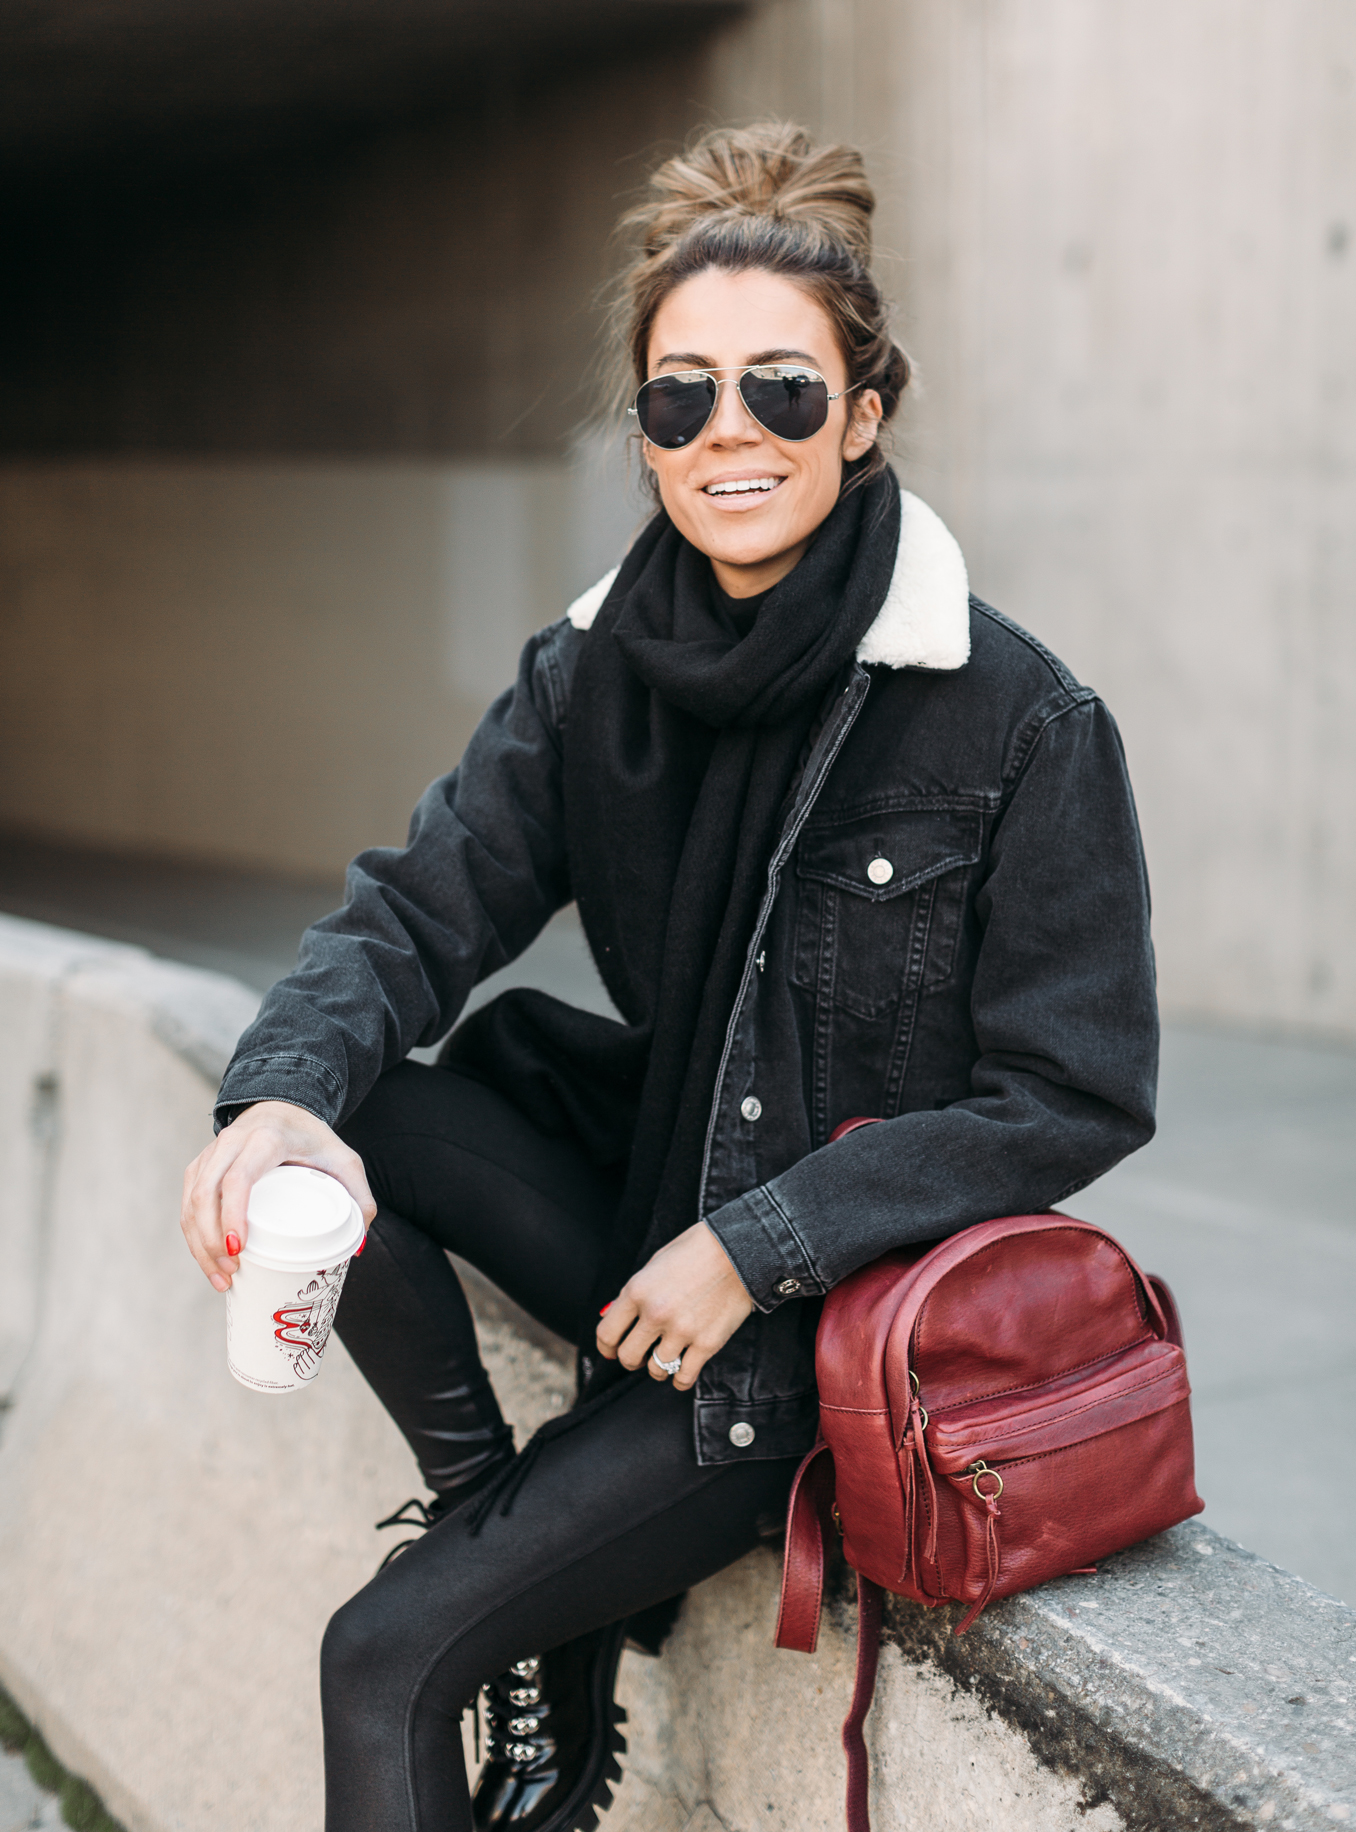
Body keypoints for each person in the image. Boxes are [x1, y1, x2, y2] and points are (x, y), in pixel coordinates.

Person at [179, 123, 1158, 1832]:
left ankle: (505, 1596)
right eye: (680, 396)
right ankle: (521, 1550)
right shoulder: (588, 679)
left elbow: (1072, 1090)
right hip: (647, 1218)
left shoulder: (1016, 720)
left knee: (384, 1657)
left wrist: (757, 1243)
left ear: (862, 419)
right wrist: (274, 1102)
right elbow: (418, 912)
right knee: (347, 1119)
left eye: (783, 393)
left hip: (805, 1338)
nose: (731, 433)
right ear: (641, 438)